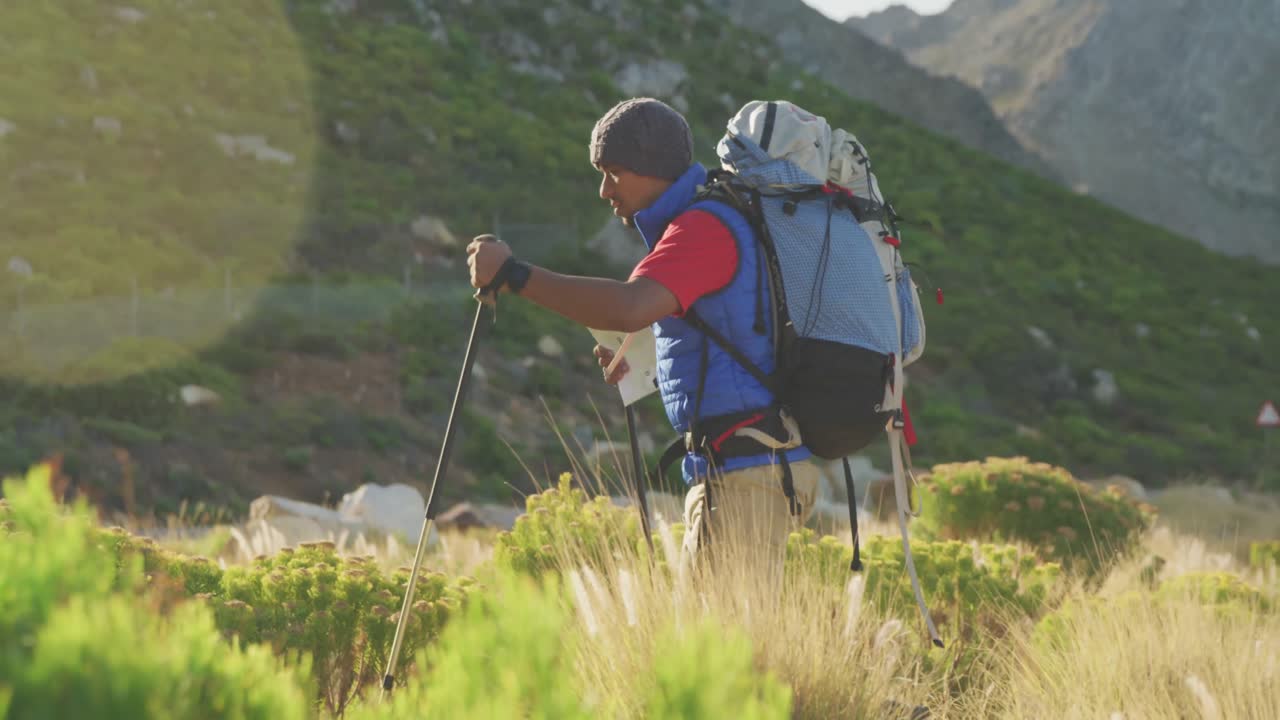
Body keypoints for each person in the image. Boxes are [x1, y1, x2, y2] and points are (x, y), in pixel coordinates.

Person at [466, 97, 821, 575]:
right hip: (746, 468)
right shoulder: (710, 221)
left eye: (614, 172)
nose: (603, 190)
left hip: (748, 473)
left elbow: (629, 307)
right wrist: (646, 358)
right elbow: (728, 327)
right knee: (722, 641)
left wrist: (514, 275)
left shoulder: (704, 227)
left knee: (716, 646)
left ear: (651, 167)